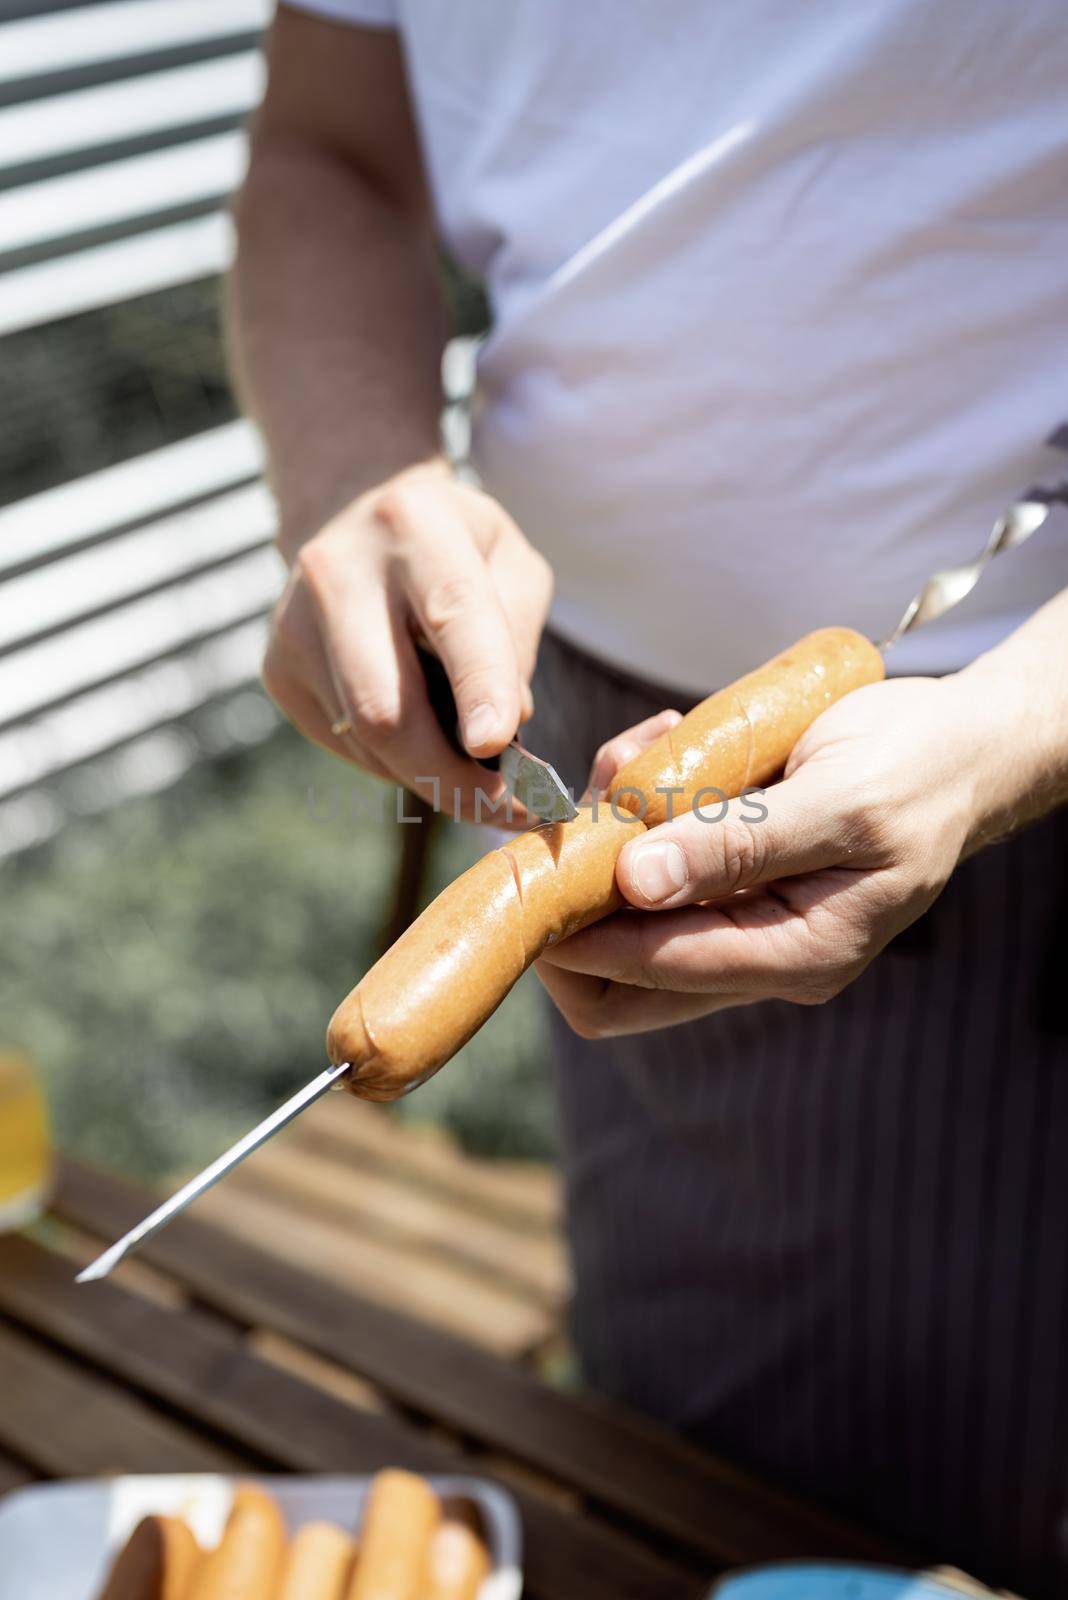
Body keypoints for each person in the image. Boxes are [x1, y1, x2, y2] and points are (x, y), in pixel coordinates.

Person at [226, 5, 1068, 1591]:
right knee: (686, 1447)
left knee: (967, 1501)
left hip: (995, 747)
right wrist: (351, 472)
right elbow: (324, 148)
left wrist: (1017, 729)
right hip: (592, 738)